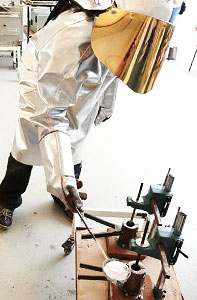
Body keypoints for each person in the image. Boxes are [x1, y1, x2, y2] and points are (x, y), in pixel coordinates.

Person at [0, 0, 173, 231]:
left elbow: (115, 68)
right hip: (43, 86)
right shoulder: (75, 31)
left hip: (81, 87)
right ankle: (7, 199)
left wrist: (106, 104)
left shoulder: (124, 30)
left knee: (74, 141)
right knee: (28, 145)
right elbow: (50, 112)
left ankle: (64, 197)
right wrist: (63, 180)